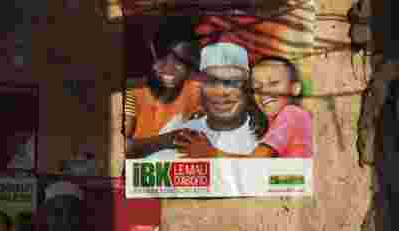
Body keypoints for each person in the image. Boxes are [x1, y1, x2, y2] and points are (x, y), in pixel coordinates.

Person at [175, 56, 313, 159]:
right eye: (257, 87)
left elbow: (255, 164)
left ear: (295, 89)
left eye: (274, 83)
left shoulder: (291, 114)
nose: (264, 91)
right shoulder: (269, 123)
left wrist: (211, 153)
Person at [145, 42, 263, 160]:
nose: (221, 92)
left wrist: (213, 155)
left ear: (248, 86)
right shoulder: (178, 133)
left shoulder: (268, 132)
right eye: (212, 82)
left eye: (233, 82)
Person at [124, 15, 204, 159]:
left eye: (180, 61)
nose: (169, 68)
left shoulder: (197, 90)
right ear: (151, 57)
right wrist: (166, 140)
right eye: (162, 58)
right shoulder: (134, 92)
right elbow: (120, 147)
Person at [36, 181, 113, 231]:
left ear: (82, 217)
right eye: (57, 213)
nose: (65, 221)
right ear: (46, 217)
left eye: (72, 213)